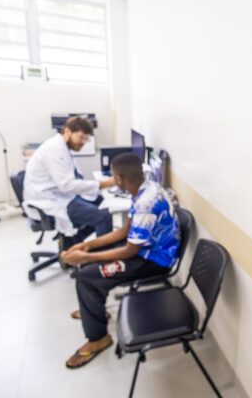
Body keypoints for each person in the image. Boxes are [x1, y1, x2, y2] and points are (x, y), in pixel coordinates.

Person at [61, 153, 180, 369]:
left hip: (153, 261)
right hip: (144, 250)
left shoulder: (145, 203)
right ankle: (94, 310)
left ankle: (98, 338)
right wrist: (88, 246)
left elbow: (129, 251)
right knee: (89, 263)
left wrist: (85, 256)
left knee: (86, 276)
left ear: (118, 179)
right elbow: (125, 231)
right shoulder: (145, 188)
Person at [23, 116, 115, 243]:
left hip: (60, 194)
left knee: (104, 204)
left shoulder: (63, 147)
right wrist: (105, 183)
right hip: (49, 199)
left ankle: (74, 244)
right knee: (104, 217)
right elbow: (66, 185)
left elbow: (74, 178)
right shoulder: (55, 148)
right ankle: (100, 254)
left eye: (86, 139)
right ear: (67, 131)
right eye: (81, 137)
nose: (83, 142)